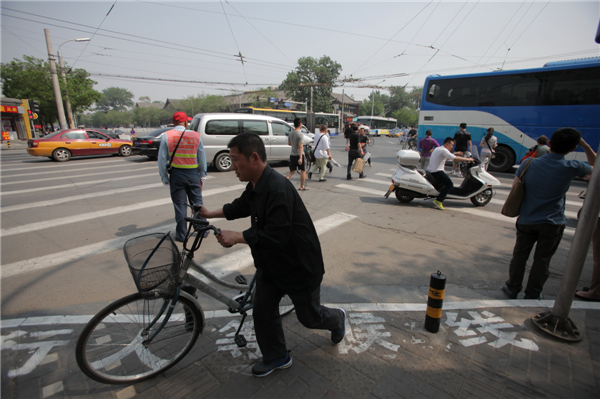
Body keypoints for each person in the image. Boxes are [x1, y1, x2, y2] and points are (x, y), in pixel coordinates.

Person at [197, 133, 346, 377]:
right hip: (271, 263)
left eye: (236, 160)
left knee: (309, 318)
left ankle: (336, 318)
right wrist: (208, 214)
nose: (233, 166)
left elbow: (276, 236)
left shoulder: (278, 189)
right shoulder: (256, 184)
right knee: (263, 311)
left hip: (299, 266)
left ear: (253, 157)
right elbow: (240, 206)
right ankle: (277, 357)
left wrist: (237, 237)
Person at [502, 128, 595, 300]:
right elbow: (595, 166)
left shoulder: (529, 163)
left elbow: (516, 186)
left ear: (549, 144)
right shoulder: (572, 166)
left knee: (519, 256)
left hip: (527, 219)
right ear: (573, 149)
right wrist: (585, 145)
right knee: (542, 260)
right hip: (553, 222)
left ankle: (512, 287)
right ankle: (533, 293)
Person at [158, 111, 207, 242]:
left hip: (177, 174)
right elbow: (201, 157)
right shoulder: (196, 136)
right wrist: (202, 173)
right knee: (197, 203)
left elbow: (162, 160)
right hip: (193, 174)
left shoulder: (166, 136)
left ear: (173, 122)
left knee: (180, 206)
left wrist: (164, 176)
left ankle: (181, 235)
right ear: (186, 122)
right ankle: (202, 230)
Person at [426, 137, 474, 211]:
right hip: (437, 171)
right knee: (450, 184)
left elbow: (446, 158)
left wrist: (456, 153)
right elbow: (454, 158)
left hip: (431, 171)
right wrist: (468, 159)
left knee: (444, 184)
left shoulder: (438, 149)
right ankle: (439, 200)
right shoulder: (443, 150)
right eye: (452, 145)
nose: (452, 147)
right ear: (447, 144)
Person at [284, 118, 308, 190]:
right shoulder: (300, 134)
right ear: (300, 124)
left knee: (292, 171)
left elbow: (289, 143)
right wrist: (300, 158)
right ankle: (302, 186)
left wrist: (294, 145)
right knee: (303, 171)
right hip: (299, 155)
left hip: (292, 155)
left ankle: (282, 183)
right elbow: (300, 147)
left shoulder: (291, 133)